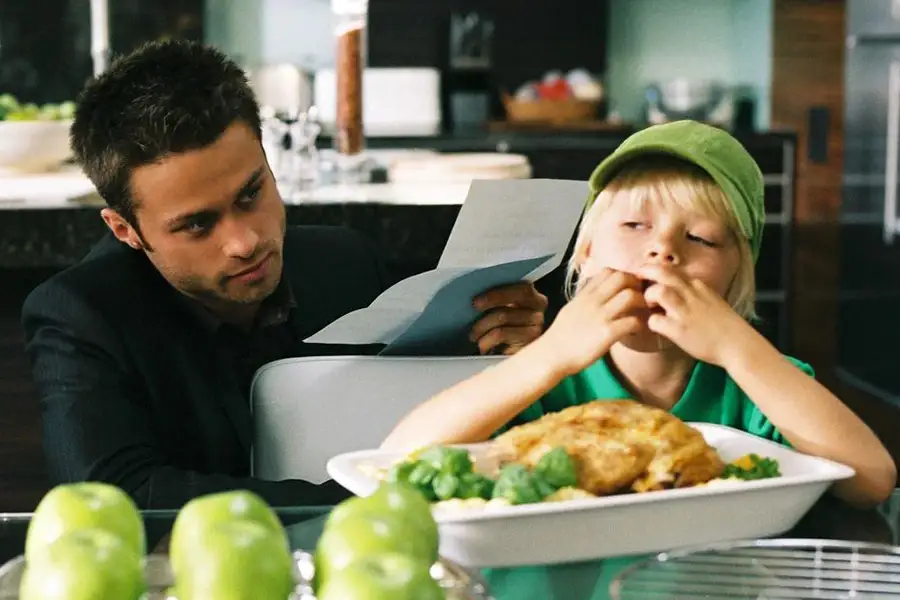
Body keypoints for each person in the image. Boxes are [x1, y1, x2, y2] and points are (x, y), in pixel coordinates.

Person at [21, 39, 548, 510]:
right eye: (197, 225)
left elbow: (414, 414)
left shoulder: (344, 261)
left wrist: (497, 349)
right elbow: (116, 496)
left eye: (251, 194)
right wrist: (374, 496)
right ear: (125, 230)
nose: (244, 242)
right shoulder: (81, 314)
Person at [381, 120, 897, 509]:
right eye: (633, 225)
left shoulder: (757, 382)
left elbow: (872, 481)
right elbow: (400, 461)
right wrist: (549, 356)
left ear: (735, 279)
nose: (662, 251)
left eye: (699, 238)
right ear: (584, 255)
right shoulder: (549, 380)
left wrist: (739, 349)